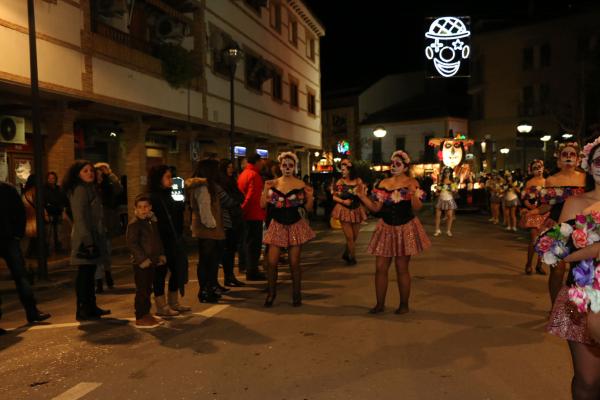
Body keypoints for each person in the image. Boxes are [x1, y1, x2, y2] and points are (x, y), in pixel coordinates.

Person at [537, 136, 600, 399]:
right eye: (599, 160)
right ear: (590, 165)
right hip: (585, 297)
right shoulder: (577, 204)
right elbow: (558, 252)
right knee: (588, 381)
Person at [356, 150, 431, 315]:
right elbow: (376, 208)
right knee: (380, 267)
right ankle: (379, 304)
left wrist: (412, 194)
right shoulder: (384, 183)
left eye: (398, 164)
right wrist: (362, 197)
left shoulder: (412, 182)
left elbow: (417, 208)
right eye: (392, 163)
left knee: (401, 267)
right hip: (386, 228)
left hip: (405, 227)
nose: (394, 166)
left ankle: (404, 305)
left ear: (405, 167)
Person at [261, 152, 315, 307]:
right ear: (280, 166)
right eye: (284, 165)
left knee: (294, 262)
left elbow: (309, 209)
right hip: (277, 224)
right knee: (271, 262)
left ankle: (296, 296)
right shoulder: (273, 183)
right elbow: (262, 205)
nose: (287, 168)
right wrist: (265, 188)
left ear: (295, 167)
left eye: (290, 165)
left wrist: (310, 198)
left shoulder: (301, 185)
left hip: (295, 224)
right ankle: (271, 294)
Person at [63, 160, 111, 321]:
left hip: (93, 236)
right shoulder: (79, 190)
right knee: (84, 274)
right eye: (85, 171)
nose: (89, 173)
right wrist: (88, 242)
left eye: (91, 170)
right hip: (85, 238)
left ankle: (91, 307)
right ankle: (83, 309)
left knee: (90, 274)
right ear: (77, 174)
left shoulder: (90, 188)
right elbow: (80, 218)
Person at [539, 142, 586, 304]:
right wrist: (531, 210)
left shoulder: (587, 179)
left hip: (581, 227)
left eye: (572, 154)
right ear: (558, 160)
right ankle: (554, 307)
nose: (568, 157)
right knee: (557, 270)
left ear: (578, 159)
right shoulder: (551, 180)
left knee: (579, 270)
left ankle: (575, 307)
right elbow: (545, 206)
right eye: (564, 154)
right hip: (557, 226)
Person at [0, 181, 50, 325]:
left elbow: (20, 212)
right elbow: (19, 212)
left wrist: (17, 234)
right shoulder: (7, 189)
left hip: (9, 238)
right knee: (21, 276)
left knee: (21, 276)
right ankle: (32, 311)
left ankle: (32, 311)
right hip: (10, 238)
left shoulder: (7, 189)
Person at [148, 165, 190, 317]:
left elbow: (180, 210)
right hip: (161, 240)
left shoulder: (173, 192)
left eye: (171, 176)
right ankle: (161, 306)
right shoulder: (153, 197)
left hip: (175, 237)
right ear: (158, 178)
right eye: (167, 177)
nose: (171, 180)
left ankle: (174, 302)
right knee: (160, 273)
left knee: (177, 270)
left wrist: (180, 193)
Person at [188, 159, 226, 303]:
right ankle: (204, 290)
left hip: (208, 229)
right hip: (207, 229)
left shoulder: (206, 185)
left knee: (210, 261)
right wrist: (213, 226)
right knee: (207, 261)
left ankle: (208, 289)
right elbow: (205, 211)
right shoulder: (203, 187)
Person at [126, 194, 167, 329]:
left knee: (148, 288)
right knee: (142, 289)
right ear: (135, 209)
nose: (143, 209)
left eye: (146, 207)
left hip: (152, 260)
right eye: (140, 207)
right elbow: (133, 243)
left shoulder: (151, 222)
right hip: (141, 263)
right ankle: (141, 316)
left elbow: (157, 239)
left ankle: (147, 313)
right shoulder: (134, 224)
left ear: (150, 208)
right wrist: (142, 259)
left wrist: (160, 254)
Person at [331, 160, 367, 265]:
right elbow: (334, 197)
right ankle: (352, 258)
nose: (342, 172)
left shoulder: (358, 181)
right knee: (349, 237)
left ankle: (346, 253)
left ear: (350, 170)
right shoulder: (340, 182)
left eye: (344, 170)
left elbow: (362, 194)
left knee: (354, 237)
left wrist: (363, 194)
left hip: (356, 209)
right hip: (344, 210)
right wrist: (343, 201)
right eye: (341, 170)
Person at [237, 153, 267, 281]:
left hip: (247, 214)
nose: (262, 164)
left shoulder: (243, 174)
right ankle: (252, 270)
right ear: (257, 161)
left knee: (247, 242)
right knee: (254, 244)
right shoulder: (254, 175)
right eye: (261, 161)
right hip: (253, 213)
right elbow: (252, 196)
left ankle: (246, 266)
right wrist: (244, 209)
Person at [94, 162, 123, 293]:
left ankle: (107, 274)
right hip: (95, 224)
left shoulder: (108, 186)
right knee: (98, 253)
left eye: (102, 172)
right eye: (98, 172)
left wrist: (110, 174)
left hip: (107, 221)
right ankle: (99, 280)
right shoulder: (90, 188)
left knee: (106, 251)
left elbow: (119, 188)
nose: (99, 175)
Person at [218, 159, 245, 287]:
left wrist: (237, 198)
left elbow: (240, 196)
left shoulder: (231, 181)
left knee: (231, 248)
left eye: (231, 167)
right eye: (228, 167)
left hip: (235, 217)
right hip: (229, 218)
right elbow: (230, 200)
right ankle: (228, 277)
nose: (231, 169)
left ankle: (230, 276)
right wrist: (236, 199)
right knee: (228, 249)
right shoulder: (222, 182)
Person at [520, 160, 547, 275]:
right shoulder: (529, 182)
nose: (538, 169)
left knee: (544, 240)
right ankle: (529, 264)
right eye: (535, 167)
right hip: (533, 213)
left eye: (539, 166)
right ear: (532, 170)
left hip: (546, 213)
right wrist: (530, 207)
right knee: (534, 240)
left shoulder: (548, 181)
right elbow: (525, 199)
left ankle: (539, 265)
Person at [432, 167, 458, 237]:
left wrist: (453, 190)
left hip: (449, 199)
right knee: (438, 216)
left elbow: (456, 191)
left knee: (450, 216)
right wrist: (436, 191)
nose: (447, 174)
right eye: (446, 172)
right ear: (443, 173)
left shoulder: (453, 181)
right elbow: (437, 192)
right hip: (441, 199)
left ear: (450, 173)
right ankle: (437, 230)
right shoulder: (440, 181)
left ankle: (448, 230)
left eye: (448, 172)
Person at [45, 172, 66, 253]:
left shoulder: (59, 189)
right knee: (49, 233)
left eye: (52, 178)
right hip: (49, 213)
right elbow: (43, 202)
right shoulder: (44, 189)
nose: (51, 180)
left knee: (59, 232)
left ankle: (59, 248)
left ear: (55, 179)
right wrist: (45, 213)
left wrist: (63, 211)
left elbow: (63, 200)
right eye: (49, 178)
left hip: (58, 213)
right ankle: (48, 249)